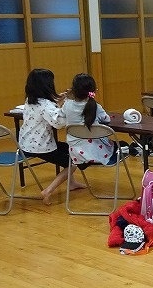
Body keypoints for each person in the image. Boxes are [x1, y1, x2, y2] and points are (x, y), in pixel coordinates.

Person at [18, 68, 85, 204]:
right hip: (40, 147)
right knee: (73, 162)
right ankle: (48, 191)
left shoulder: (30, 100)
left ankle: (72, 183)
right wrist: (66, 105)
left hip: (26, 145)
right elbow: (58, 123)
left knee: (69, 149)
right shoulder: (46, 105)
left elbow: (47, 111)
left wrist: (57, 100)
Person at [62, 73, 117, 166]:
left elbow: (62, 115)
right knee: (121, 145)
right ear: (93, 90)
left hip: (75, 154)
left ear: (73, 90)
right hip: (97, 154)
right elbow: (106, 119)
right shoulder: (95, 106)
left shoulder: (67, 104)